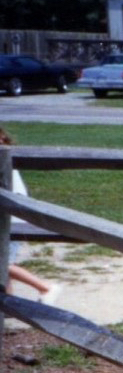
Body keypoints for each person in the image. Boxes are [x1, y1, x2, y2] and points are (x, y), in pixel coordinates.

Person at [0, 127, 56, 302]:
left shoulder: (5, 161)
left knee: (4, 264)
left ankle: (45, 287)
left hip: (12, 219)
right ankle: (9, 306)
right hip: (8, 217)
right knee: (4, 269)